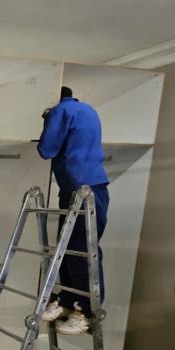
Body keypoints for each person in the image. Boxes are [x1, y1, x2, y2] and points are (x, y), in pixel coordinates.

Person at [37, 86, 109, 335]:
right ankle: (68, 300)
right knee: (68, 249)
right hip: (85, 187)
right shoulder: (87, 110)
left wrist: (47, 120)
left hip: (82, 189)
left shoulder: (60, 111)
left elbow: (46, 149)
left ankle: (87, 311)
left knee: (81, 251)